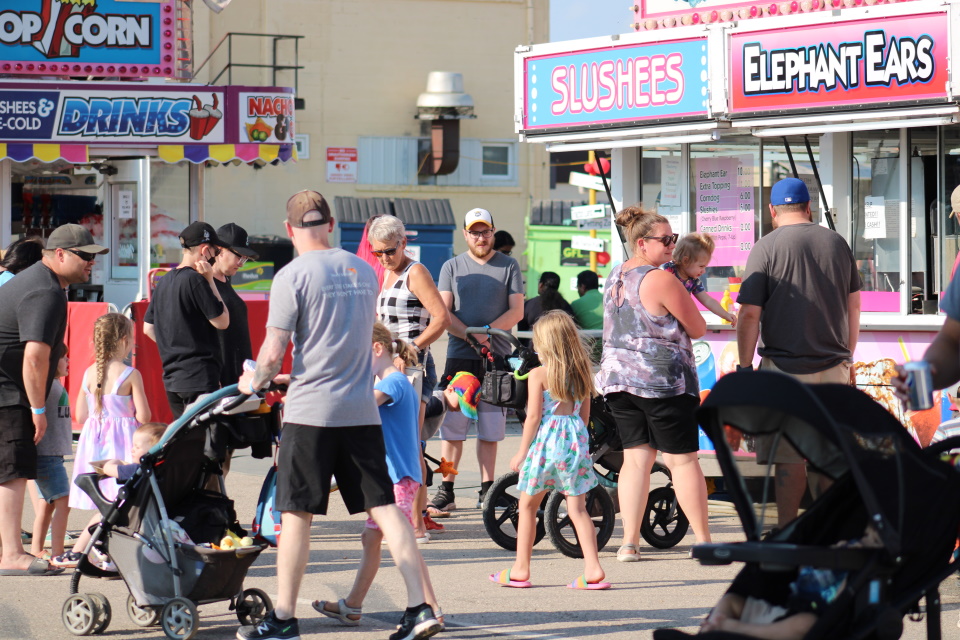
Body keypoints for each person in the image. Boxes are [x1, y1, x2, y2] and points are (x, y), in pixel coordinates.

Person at [236, 190, 440, 640]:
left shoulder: (291, 276)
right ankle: (420, 608)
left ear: (290, 230)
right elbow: (345, 342)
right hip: (360, 408)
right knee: (387, 510)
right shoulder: (364, 271)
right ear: (330, 223)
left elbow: (272, 352)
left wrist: (256, 380)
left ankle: (284, 618)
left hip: (312, 413)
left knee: (296, 516)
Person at [737, 178, 861, 528]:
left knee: (790, 460)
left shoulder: (766, 246)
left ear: (772, 211)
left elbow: (749, 315)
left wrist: (745, 367)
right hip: (834, 367)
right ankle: (828, 530)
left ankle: (788, 531)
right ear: (809, 208)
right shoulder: (837, 243)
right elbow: (854, 306)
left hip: (784, 370)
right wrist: (846, 356)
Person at [596, 206, 711, 562]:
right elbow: (697, 328)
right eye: (666, 240)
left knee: (635, 461)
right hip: (662, 383)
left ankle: (629, 542)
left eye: (674, 239)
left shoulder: (615, 274)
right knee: (683, 462)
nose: (673, 246)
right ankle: (706, 541)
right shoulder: (661, 279)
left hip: (618, 380)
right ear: (642, 242)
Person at [313, 322, 442, 628]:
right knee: (372, 539)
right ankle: (353, 605)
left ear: (377, 349)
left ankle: (431, 609)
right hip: (397, 475)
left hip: (399, 477)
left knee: (402, 542)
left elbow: (361, 406)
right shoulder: (394, 380)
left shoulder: (394, 382)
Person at [0, 223, 106, 577]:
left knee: (11, 471)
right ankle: (12, 554)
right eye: (85, 256)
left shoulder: (43, 283)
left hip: (9, 387)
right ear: (59, 254)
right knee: (12, 472)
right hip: (8, 389)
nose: (91, 263)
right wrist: (38, 409)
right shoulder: (44, 290)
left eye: (94, 257)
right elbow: (34, 357)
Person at [492, 310, 609, 590]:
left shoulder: (538, 374)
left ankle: (521, 569)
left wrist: (522, 452)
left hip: (546, 443)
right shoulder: (582, 372)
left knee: (528, 505)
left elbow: (533, 417)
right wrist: (578, 443)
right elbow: (584, 416)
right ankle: (593, 568)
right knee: (578, 509)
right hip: (574, 442)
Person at [429, 208, 524, 516]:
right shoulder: (451, 266)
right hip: (459, 357)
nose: (481, 237)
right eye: (475, 232)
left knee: (491, 428)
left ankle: (488, 490)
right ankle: (447, 489)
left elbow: (517, 311)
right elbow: (444, 314)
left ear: (493, 232)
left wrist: (488, 333)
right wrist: (473, 336)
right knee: (453, 428)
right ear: (465, 234)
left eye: (485, 232)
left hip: (497, 358)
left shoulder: (509, 265)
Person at [369, 215, 451, 538]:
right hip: (388, 368)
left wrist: (409, 350)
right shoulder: (387, 273)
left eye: (389, 251)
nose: (385, 258)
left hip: (414, 368)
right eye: (378, 253)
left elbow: (441, 318)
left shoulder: (415, 272)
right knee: (395, 443)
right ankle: (412, 512)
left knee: (409, 444)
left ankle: (417, 523)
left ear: (404, 243)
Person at [53, 313, 150, 568]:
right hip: (121, 442)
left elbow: (81, 415)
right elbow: (145, 415)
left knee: (106, 498)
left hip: (94, 442)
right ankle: (84, 549)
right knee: (119, 497)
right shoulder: (130, 373)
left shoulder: (88, 373)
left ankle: (93, 547)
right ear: (124, 340)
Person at [144, 221, 230, 418]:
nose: (215, 257)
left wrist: (173, 347)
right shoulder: (196, 280)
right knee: (204, 440)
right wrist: (210, 281)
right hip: (199, 377)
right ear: (204, 250)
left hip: (172, 377)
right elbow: (222, 321)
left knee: (185, 442)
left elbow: (148, 328)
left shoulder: (164, 280)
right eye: (215, 252)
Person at [29, 344, 71, 561]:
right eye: (64, 358)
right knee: (64, 501)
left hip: (53, 454)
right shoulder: (45, 386)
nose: (68, 362)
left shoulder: (54, 384)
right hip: (47, 454)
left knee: (47, 504)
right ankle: (58, 553)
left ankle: (37, 549)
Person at [661, 232, 737, 325]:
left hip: (678, 322)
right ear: (686, 261)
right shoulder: (667, 269)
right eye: (701, 266)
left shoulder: (693, 281)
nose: (704, 271)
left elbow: (707, 300)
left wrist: (725, 314)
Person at [100, 422, 170, 481]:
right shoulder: (169, 468)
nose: (132, 450)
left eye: (137, 447)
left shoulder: (138, 470)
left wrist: (115, 461)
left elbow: (107, 469)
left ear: (155, 450)